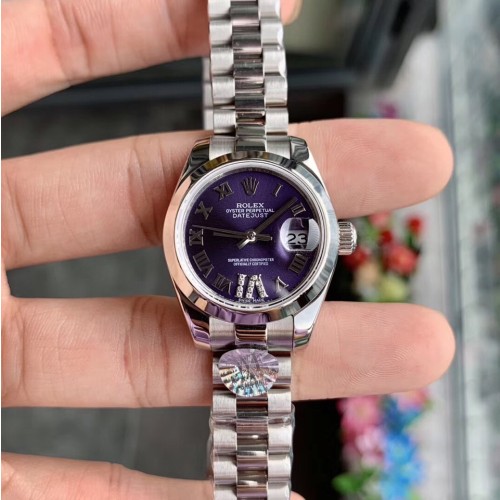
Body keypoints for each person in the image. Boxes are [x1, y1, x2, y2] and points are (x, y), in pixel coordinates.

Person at [1, 0, 455, 498]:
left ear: (336, 237)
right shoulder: (237, 176)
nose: (251, 237)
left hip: (246, 300)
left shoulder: (275, 180)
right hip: (245, 302)